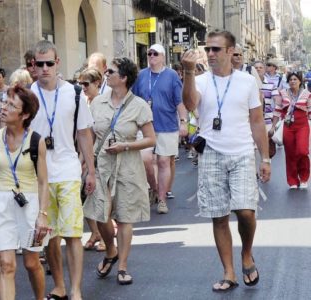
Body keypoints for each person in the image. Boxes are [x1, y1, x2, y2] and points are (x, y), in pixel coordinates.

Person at [182, 30, 270, 292]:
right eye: (208, 49)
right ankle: (229, 272)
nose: (210, 54)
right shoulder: (200, 80)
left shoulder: (246, 81)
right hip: (211, 153)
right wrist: (187, 73)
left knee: (245, 211)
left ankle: (246, 253)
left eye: (216, 49)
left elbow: (256, 121)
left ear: (231, 52)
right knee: (219, 217)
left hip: (242, 152)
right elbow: (189, 105)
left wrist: (264, 157)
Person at [30, 40, 96, 300]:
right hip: (39, 176)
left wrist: (91, 171)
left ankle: (76, 290)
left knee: (73, 234)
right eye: (39, 64)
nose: (44, 68)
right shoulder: (27, 95)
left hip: (68, 171)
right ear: (33, 65)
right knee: (49, 237)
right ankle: (58, 286)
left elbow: (84, 134)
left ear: (57, 63)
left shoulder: (74, 93)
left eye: (49, 63)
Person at [0, 84, 49, 299]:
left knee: (32, 263)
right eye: (4, 102)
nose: (3, 107)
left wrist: (43, 216)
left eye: (11, 105)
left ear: (24, 115)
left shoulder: (36, 141)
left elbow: (43, 182)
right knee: (6, 264)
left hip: (30, 204)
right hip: (2, 203)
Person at [84, 57, 155, 285]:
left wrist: (126, 145)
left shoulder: (139, 105)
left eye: (111, 72)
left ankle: (122, 266)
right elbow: (90, 136)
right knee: (99, 214)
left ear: (123, 78)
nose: (106, 74)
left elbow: (151, 139)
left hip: (127, 166)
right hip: (102, 165)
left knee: (124, 218)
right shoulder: (97, 103)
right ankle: (111, 251)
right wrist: (85, 164)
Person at [131, 44, 188, 214]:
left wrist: (184, 121)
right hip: (144, 125)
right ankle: (155, 189)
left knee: (163, 161)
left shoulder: (171, 76)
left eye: (155, 54)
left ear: (163, 57)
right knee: (146, 159)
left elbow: (179, 101)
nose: (152, 56)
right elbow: (132, 99)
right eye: (149, 53)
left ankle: (162, 199)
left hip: (167, 125)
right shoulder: (141, 75)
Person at [78, 68, 106, 252]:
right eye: (80, 84)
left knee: (99, 196)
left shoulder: (102, 102)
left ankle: (105, 236)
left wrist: (86, 159)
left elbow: (93, 134)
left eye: (86, 84)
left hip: (98, 154)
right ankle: (95, 232)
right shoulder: (82, 101)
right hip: (81, 152)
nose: (83, 87)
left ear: (97, 83)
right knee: (85, 195)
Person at [270, 72, 310, 189]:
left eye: (295, 79)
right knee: (290, 153)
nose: (293, 81)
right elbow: (277, 110)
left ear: (300, 81)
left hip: (302, 125)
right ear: (287, 82)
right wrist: (273, 126)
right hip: (288, 126)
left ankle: (303, 178)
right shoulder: (282, 94)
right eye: (290, 79)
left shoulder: (307, 94)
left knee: (302, 151)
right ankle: (292, 181)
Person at [254, 61, 280, 130]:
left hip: (267, 120)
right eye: (256, 68)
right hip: (252, 121)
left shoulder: (271, 84)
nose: (258, 69)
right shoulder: (248, 84)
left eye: (260, 67)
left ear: (264, 70)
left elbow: (277, 102)